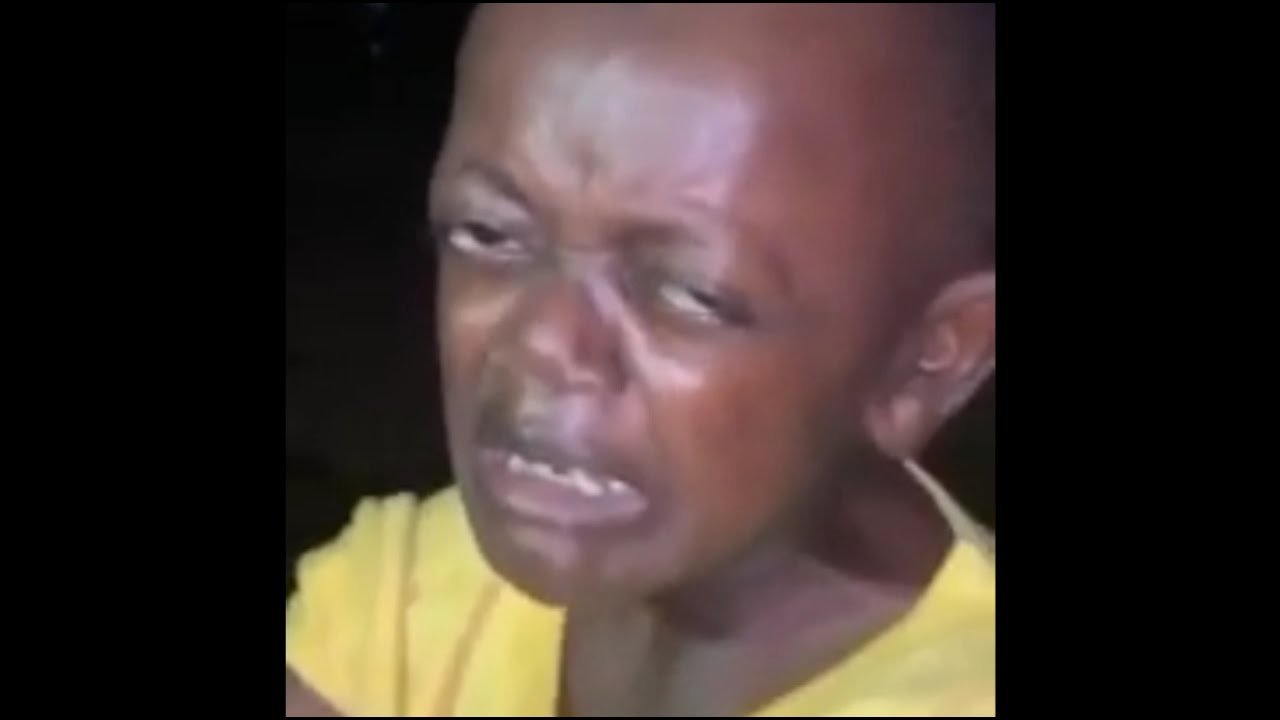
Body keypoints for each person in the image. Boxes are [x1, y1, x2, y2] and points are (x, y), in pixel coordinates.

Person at [286, 3, 995, 716]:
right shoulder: (419, 598)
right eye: (489, 232)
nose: (543, 343)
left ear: (926, 362)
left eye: (691, 292)